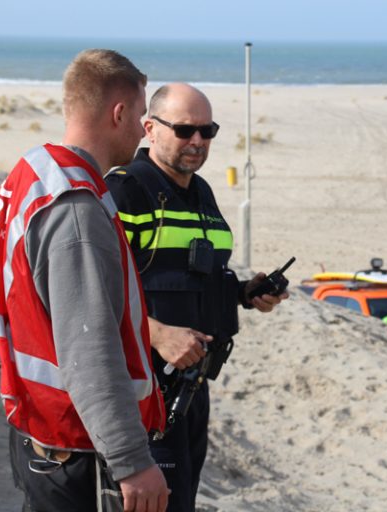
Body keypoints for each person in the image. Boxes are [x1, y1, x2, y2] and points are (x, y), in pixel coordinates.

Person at [0, 49, 170, 512]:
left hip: (44, 437)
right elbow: (89, 350)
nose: (142, 131)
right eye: (140, 116)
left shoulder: (33, 173)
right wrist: (132, 462)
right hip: (77, 451)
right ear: (119, 112)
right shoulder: (75, 207)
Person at [105, 83, 287, 512]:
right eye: (185, 130)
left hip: (192, 390)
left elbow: (196, 277)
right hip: (142, 396)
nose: (198, 142)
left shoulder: (201, 192)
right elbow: (91, 294)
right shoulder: (125, 190)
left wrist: (246, 293)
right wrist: (155, 333)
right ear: (149, 128)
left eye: (208, 131)